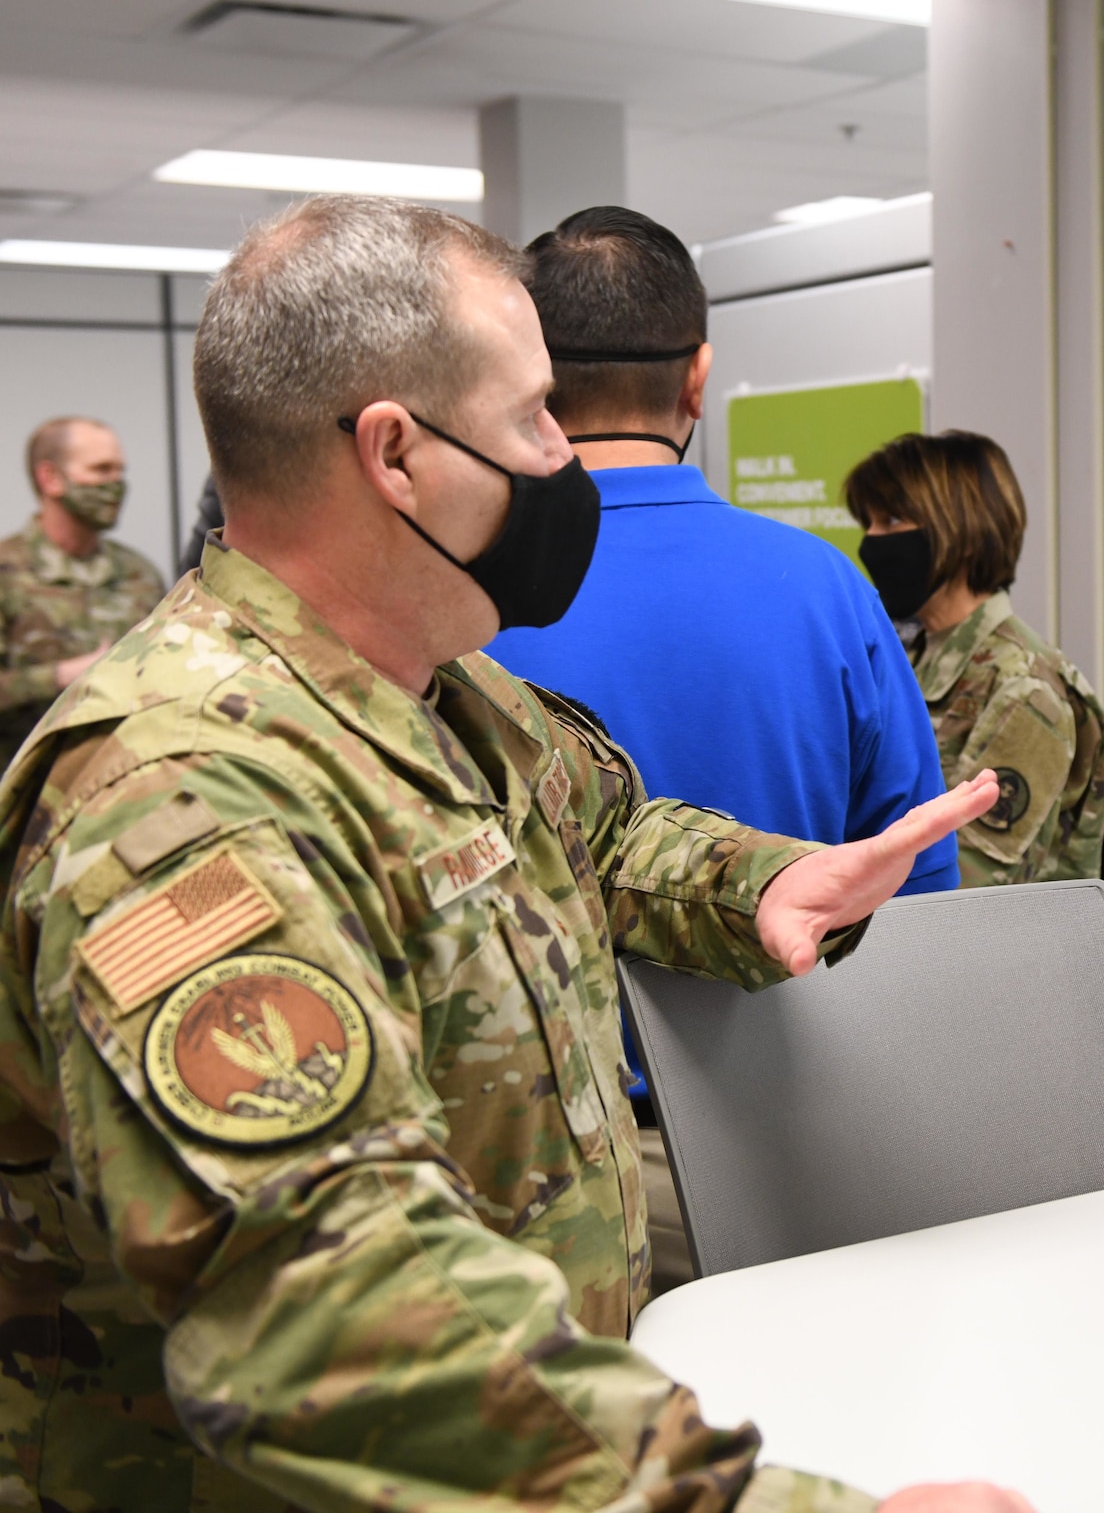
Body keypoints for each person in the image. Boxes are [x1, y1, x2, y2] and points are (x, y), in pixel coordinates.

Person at [0, 194, 1030, 1513]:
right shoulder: (179, 800)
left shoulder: (445, 687)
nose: (568, 455)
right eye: (533, 416)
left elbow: (600, 827)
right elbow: (335, 1305)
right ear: (394, 454)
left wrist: (760, 876)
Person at [483, 207, 958, 1287]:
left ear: (534, 380)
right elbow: (918, 884)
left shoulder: (466, 599)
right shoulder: (826, 586)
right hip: (797, 1128)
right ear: (698, 380)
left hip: (551, 1170)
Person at [844, 431, 1104, 886]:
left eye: (890, 521)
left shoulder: (1024, 687)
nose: (870, 542)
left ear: (960, 533)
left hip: (978, 948)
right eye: (866, 522)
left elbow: (964, 882)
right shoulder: (906, 656)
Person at [0, 416, 164, 765]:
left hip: (120, 783)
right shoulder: (7, 572)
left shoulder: (140, 574)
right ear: (51, 478)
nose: (116, 484)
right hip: (23, 791)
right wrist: (62, 676)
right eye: (101, 470)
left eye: (120, 471)